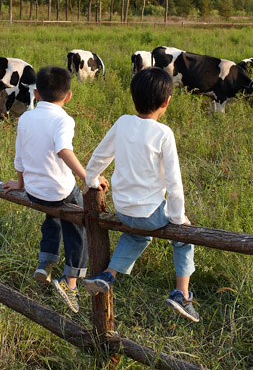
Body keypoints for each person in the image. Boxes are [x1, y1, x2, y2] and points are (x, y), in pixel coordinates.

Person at [81, 67, 200, 322]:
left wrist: (91, 179)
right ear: (166, 102)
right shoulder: (163, 133)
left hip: (123, 211)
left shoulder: (123, 122)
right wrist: (179, 219)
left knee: (137, 235)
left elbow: (100, 155)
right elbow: (174, 181)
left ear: (133, 96)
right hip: (150, 214)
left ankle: (108, 274)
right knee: (184, 238)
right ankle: (182, 292)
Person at [1, 65, 88, 313]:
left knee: (54, 214)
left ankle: (45, 261)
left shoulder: (26, 117)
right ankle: (71, 283)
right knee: (79, 224)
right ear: (68, 96)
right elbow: (64, 150)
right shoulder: (64, 119)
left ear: (36, 93)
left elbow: (19, 156)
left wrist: (20, 183)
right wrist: (88, 177)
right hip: (58, 191)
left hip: (34, 192)